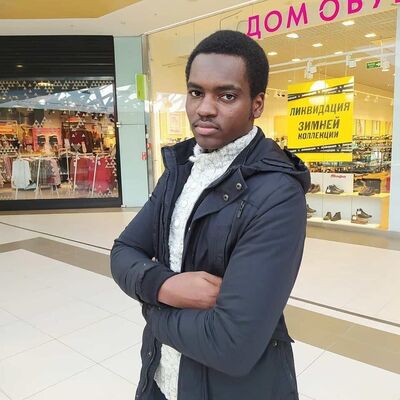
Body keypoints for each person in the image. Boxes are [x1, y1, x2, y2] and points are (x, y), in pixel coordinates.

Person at [111, 30, 310, 400]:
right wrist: (164, 287)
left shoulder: (277, 194)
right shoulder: (181, 170)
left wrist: (150, 307)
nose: (204, 108)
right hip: (161, 378)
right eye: (196, 92)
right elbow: (123, 251)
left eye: (226, 95)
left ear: (257, 104)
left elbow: (231, 345)